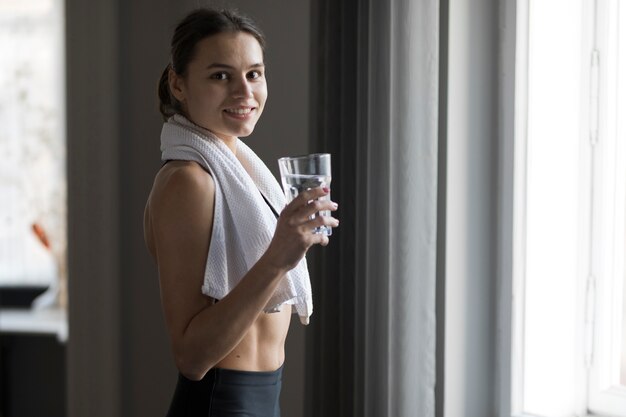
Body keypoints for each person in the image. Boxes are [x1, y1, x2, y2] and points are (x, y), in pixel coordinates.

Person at [143, 8, 338, 417]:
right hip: (220, 405)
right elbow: (192, 358)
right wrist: (279, 256)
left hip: (263, 401)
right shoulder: (189, 182)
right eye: (220, 76)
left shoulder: (242, 173)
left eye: (253, 74)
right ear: (178, 84)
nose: (244, 92)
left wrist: (293, 241)